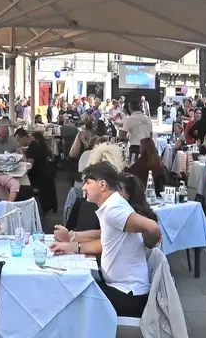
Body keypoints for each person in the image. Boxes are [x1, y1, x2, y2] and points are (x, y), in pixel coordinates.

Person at [52, 162, 161, 317]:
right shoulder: (112, 205)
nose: (83, 188)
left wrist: (148, 245)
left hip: (127, 295)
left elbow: (153, 228)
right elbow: (105, 242)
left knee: (68, 301)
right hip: (123, 289)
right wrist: (71, 245)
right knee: (72, 293)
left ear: (102, 185)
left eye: (88, 183)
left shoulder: (114, 209)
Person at [26, 131, 56, 213]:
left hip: (36, 177)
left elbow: (29, 165)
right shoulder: (44, 148)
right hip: (44, 177)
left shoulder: (33, 147)